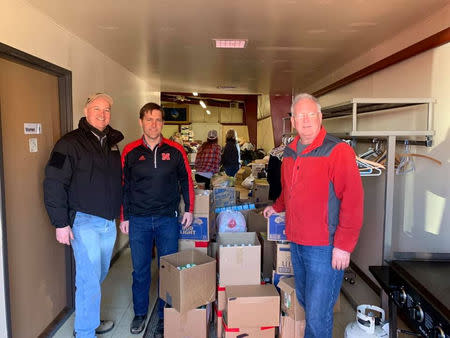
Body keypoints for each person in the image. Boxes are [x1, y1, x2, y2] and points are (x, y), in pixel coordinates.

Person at [263, 93, 363, 338]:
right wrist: (276, 207)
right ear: (293, 121)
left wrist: (344, 245)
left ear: (320, 117)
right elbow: (289, 190)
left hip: (325, 246)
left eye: (311, 115)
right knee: (307, 301)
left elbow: (353, 199)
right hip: (297, 240)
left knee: (318, 315)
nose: (306, 120)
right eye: (300, 116)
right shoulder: (290, 152)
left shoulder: (337, 150)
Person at [43, 93, 124, 337]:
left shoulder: (112, 143)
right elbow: (54, 181)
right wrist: (60, 223)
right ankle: (85, 331)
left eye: (107, 109)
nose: (103, 113)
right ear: (86, 111)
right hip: (84, 221)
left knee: (99, 274)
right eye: (97, 108)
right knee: (89, 280)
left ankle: (90, 318)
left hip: (108, 221)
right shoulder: (69, 143)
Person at [119, 102, 194, 336]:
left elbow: (186, 180)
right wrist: (124, 217)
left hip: (167, 220)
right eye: (149, 119)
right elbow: (124, 186)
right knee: (140, 270)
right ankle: (140, 314)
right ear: (141, 121)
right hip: (139, 220)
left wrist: (189, 209)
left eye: (158, 120)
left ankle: (164, 315)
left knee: (167, 269)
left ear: (163, 123)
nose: (154, 124)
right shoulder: (130, 151)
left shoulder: (175, 150)